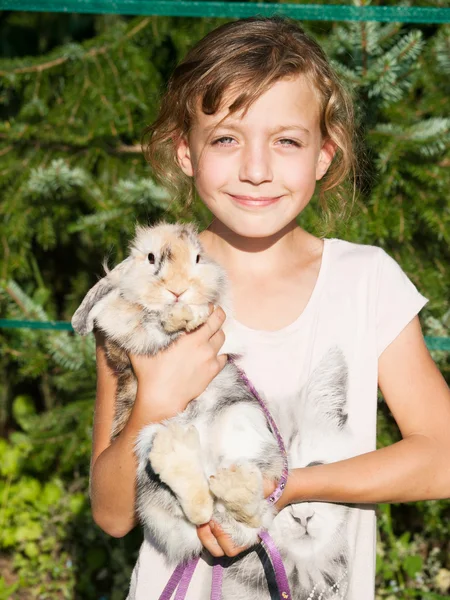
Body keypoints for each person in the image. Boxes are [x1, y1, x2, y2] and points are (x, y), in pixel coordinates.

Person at [89, 16, 450, 600]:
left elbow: (443, 457)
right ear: (185, 152)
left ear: (324, 155)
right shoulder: (144, 292)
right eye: (227, 139)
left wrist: (284, 487)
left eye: (286, 140)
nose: (256, 170)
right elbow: (111, 514)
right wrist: (152, 400)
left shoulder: (366, 282)